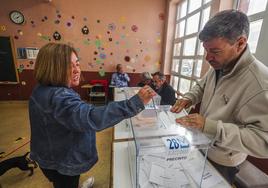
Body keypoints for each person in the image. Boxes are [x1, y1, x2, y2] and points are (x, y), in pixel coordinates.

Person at [29, 43, 156, 188]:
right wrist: (134, 103)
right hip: (62, 161)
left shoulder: (41, 89)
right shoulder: (59, 97)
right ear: (53, 68)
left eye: (77, 64)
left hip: (48, 155)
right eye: (69, 66)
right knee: (65, 183)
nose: (77, 70)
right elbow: (90, 117)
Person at [171, 10, 268, 184]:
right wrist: (189, 98)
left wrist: (212, 128)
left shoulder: (260, 83)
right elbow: (203, 85)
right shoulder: (220, 64)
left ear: (240, 43)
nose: (208, 57)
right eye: (206, 50)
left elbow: (263, 142)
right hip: (201, 144)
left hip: (224, 161)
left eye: (214, 51)